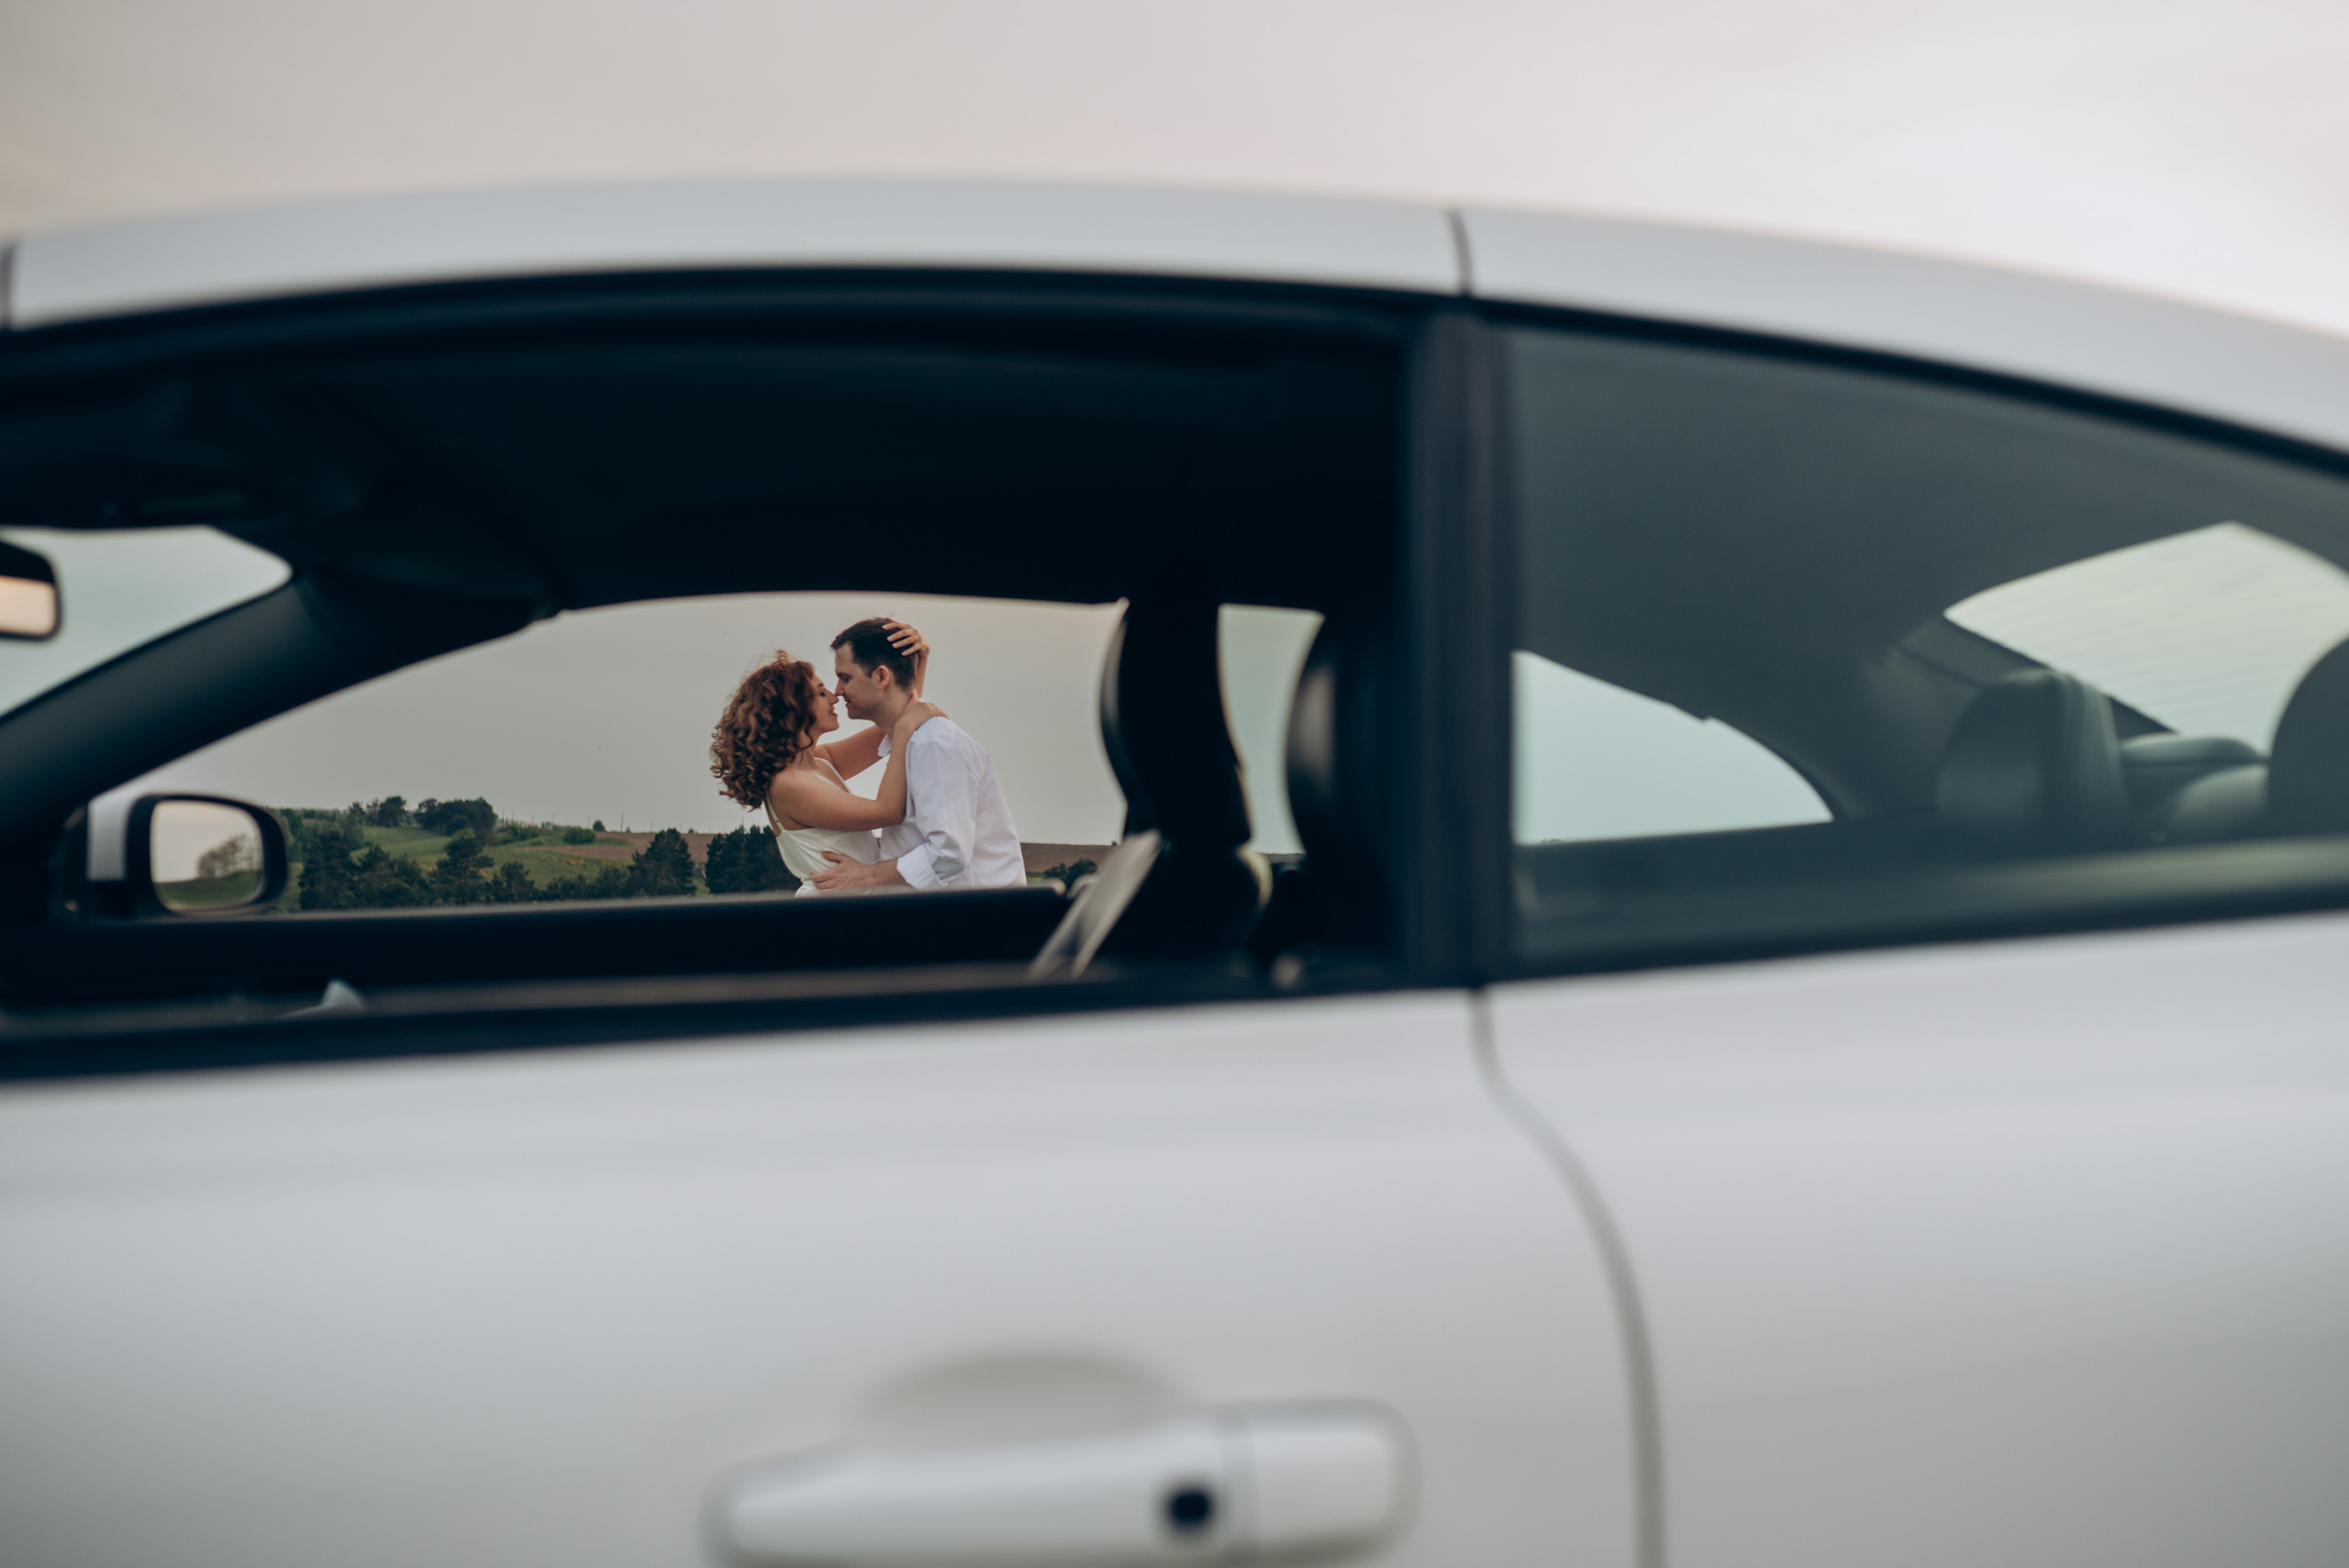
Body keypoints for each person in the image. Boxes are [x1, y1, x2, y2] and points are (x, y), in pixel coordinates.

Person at [708, 620, 948, 895]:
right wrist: (905, 728)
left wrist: (920, 656)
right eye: (820, 692)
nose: (835, 696)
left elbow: (896, 718)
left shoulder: (820, 762)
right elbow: (889, 811)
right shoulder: (788, 785)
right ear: (793, 708)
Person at [808, 616, 1026, 893]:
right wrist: (921, 657)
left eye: (845, 678)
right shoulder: (909, 739)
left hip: (975, 915)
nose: (838, 691)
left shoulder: (932, 743)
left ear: (881, 677)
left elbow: (948, 854)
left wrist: (864, 877)